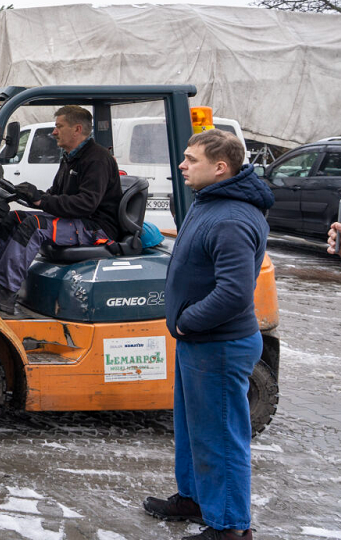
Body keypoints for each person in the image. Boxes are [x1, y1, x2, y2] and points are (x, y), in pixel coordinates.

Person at [143, 129, 273, 540]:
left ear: (220, 168)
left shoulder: (232, 217)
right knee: (194, 430)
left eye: (191, 159)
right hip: (200, 344)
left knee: (220, 436)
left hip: (218, 344)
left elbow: (234, 292)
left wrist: (187, 321)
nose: (182, 165)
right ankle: (196, 499)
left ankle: (231, 526)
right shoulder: (211, 202)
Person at [0, 105, 122, 314]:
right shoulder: (71, 157)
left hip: (95, 226)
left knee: (34, 226)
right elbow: (55, 194)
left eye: (58, 126)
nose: (54, 132)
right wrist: (32, 194)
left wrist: (42, 201)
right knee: (13, 217)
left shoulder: (97, 159)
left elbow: (86, 204)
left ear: (77, 129)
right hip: (77, 221)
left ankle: (5, 291)